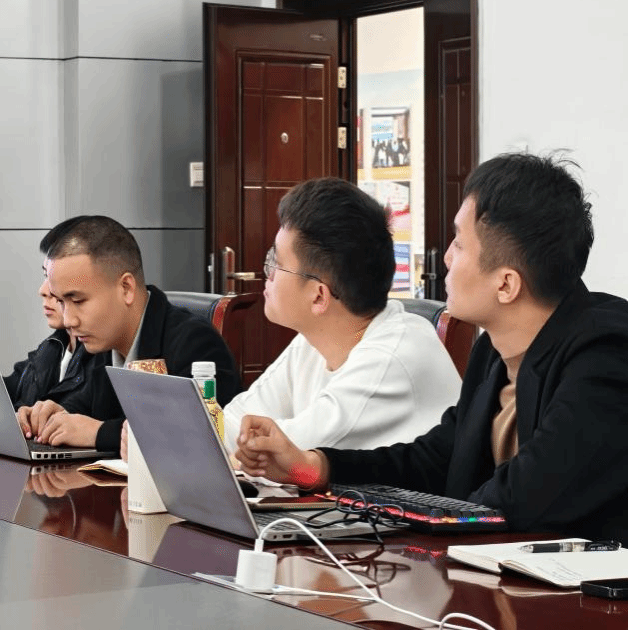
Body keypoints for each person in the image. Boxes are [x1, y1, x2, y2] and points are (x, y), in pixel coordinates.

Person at [235, 153, 628, 539]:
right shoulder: (493, 352)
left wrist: (435, 515)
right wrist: (312, 468)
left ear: (506, 284)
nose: (447, 258)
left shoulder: (606, 352)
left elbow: (527, 496)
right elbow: (434, 461)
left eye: (460, 244)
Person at [222, 177, 461, 453]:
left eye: (277, 262)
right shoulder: (313, 342)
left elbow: (286, 453)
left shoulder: (391, 358)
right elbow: (232, 423)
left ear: (319, 296)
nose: (268, 273)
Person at [17, 215, 241, 453]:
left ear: (126, 288)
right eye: (62, 302)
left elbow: (200, 434)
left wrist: (99, 433)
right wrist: (54, 416)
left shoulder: (195, 343)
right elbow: (80, 408)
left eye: (78, 301)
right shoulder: (99, 343)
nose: (68, 320)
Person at [4, 218, 97, 413]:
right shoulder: (53, 346)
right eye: (46, 275)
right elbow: (9, 390)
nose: (44, 291)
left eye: (56, 279)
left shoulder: (104, 359)